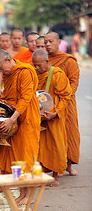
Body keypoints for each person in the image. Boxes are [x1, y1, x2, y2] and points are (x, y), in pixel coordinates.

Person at [0, 49, 41, 205]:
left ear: (9, 60)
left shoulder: (25, 71)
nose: (0, 71)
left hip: (27, 119)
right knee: (16, 161)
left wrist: (11, 119)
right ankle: (22, 193)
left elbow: (26, 98)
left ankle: (29, 195)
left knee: (27, 158)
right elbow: (9, 95)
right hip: (14, 121)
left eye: (1, 67)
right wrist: (0, 101)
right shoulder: (9, 74)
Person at [32, 49, 72, 186]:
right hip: (39, 117)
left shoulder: (57, 74)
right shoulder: (34, 74)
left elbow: (65, 96)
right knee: (37, 147)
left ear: (47, 61)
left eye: (39, 65)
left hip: (55, 117)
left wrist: (55, 112)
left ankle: (55, 176)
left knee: (56, 145)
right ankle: (39, 175)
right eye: (34, 65)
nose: (36, 68)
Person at [44, 31, 80, 176]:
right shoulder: (44, 61)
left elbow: (74, 81)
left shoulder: (68, 60)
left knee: (70, 133)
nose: (47, 44)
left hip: (67, 103)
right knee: (53, 137)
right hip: (50, 103)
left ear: (58, 42)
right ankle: (54, 166)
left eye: (50, 41)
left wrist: (65, 96)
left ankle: (69, 165)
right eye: (45, 42)